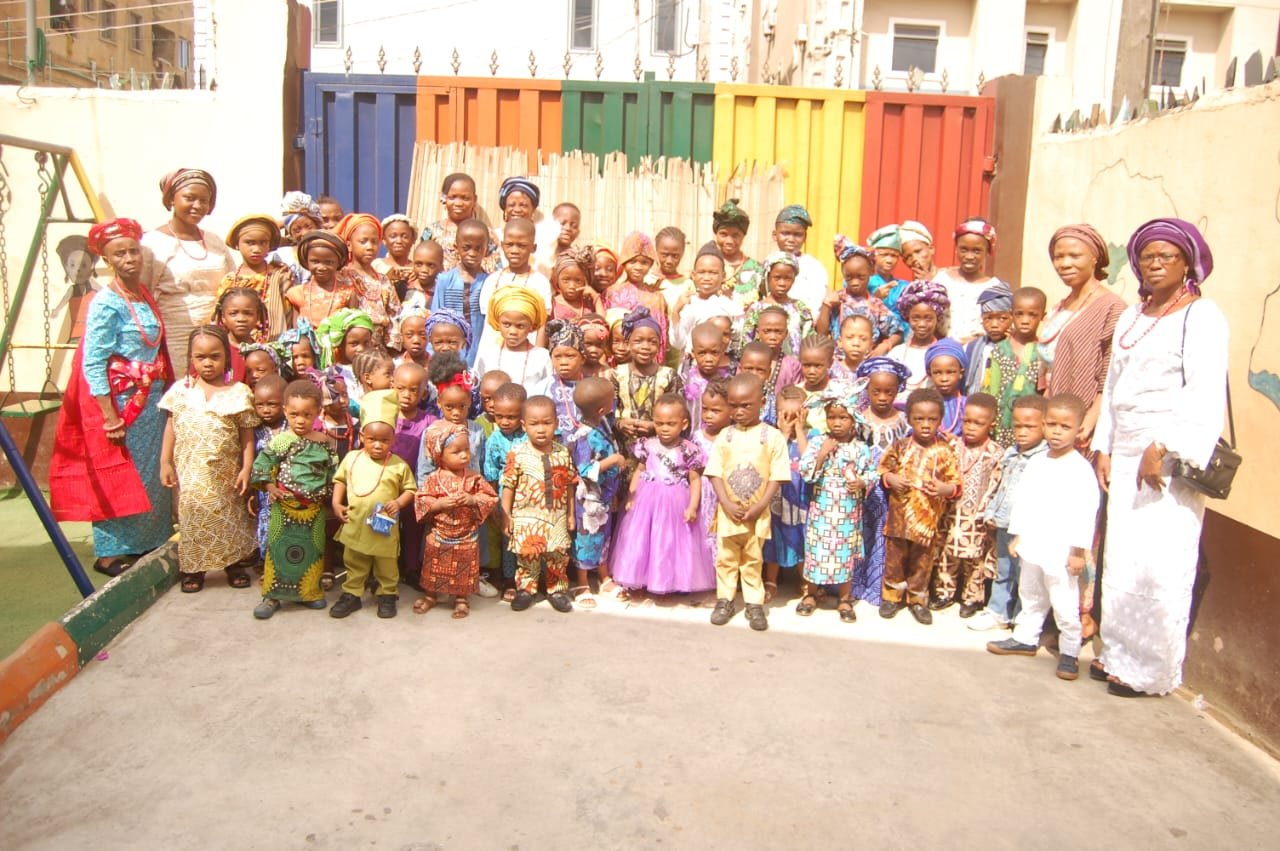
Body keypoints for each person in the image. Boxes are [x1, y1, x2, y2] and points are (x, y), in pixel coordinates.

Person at [1091, 218, 1228, 697]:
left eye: (1166, 255)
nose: (1154, 263)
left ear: (1188, 263)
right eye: (1147, 256)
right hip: (1125, 450)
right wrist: (1104, 446)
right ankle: (1117, 655)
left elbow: (1204, 391)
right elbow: (1112, 388)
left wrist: (1162, 446)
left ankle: (1149, 668)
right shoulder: (1132, 317)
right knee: (1122, 561)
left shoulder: (1202, 316)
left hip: (1166, 457)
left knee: (1159, 561)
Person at [50, 218, 175, 577]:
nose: (130, 258)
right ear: (106, 259)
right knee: (116, 473)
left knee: (149, 473)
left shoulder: (142, 294)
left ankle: (146, 542)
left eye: (134, 250)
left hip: (150, 400)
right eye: (119, 253)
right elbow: (93, 361)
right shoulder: (105, 302)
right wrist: (108, 415)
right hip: (122, 405)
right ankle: (109, 553)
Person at [989, 394, 1100, 681]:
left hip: (1062, 549)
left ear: (1078, 430)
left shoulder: (1080, 469)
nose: (1056, 432)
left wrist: (1077, 551)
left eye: (1065, 426)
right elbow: (1024, 501)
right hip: (1034, 543)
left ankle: (1070, 652)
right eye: (1051, 424)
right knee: (1031, 593)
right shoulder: (1038, 462)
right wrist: (1017, 535)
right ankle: (1025, 638)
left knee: (1064, 601)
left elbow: (1086, 512)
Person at [157, 325, 258, 592]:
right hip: (191, 471)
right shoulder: (180, 391)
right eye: (200, 357)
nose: (208, 363)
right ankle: (195, 568)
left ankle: (233, 564)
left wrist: (247, 467)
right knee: (193, 517)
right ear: (191, 358)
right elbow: (170, 427)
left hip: (226, 471)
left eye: (215, 356)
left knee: (230, 518)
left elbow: (247, 435)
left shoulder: (238, 392)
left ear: (226, 356)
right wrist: (165, 462)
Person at [704, 373, 791, 632]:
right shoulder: (725, 436)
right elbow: (715, 472)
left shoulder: (772, 436)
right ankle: (725, 600)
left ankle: (754, 603)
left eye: (746, 405)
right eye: (733, 405)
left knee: (753, 560)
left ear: (762, 402)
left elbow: (778, 477)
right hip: (728, 513)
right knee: (726, 558)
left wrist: (760, 506)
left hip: (757, 513)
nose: (739, 411)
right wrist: (727, 504)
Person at [249, 378, 339, 619]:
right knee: (278, 550)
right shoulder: (281, 441)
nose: (301, 420)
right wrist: (269, 486)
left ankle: (309, 593)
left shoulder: (325, 443)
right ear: (286, 411)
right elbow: (261, 466)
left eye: (307, 414)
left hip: (314, 510)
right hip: (285, 507)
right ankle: (272, 596)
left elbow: (334, 473)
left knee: (312, 551)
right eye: (295, 414)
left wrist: (333, 499)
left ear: (318, 413)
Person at [611, 394, 713, 601]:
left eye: (671, 423)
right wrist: (631, 496)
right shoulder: (646, 445)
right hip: (645, 501)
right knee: (641, 539)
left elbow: (695, 480)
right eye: (659, 423)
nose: (664, 428)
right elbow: (639, 470)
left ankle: (669, 581)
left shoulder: (688, 450)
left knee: (669, 541)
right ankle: (639, 578)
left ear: (683, 424)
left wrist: (693, 506)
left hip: (675, 502)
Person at [795, 381, 879, 623]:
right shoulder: (818, 442)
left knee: (844, 554)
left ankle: (844, 598)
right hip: (821, 508)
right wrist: (822, 454)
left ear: (853, 420)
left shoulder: (861, 448)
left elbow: (872, 472)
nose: (837, 423)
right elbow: (806, 472)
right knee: (816, 553)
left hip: (847, 511)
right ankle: (811, 593)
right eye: (832, 417)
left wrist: (862, 483)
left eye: (843, 418)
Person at [877, 388, 961, 625]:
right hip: (899, 519)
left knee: (921, 563)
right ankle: (891, 596)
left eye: (932, 419)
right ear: (910, 419)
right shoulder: (900, 446)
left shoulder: (945, 451)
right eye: (919, 419)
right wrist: (891, 479)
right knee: (894, 559)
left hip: (927, 522)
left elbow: (956, 484)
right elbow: (883, 470)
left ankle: (917, 600)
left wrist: (945, 489)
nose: (926, 425)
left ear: (940, 420)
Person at [141, 168, 236, 375]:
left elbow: (233, 284)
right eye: (190, 198)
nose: (198, 206)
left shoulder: (214, 241)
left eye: (204, 201)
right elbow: (141, 293)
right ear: (171, 199)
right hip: (174, 337)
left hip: (215, 336)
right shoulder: (152, 243)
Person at [329, 400, 418, 619]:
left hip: (384, 527)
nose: (378, 445)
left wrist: (398, 503)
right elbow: (340, 480)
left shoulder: (398, 465)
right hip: (356, 523)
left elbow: (411, 490)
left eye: (384, 440)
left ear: (393, 440)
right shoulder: (352, 458)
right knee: (355, 560)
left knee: (386, 564)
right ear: (362, 437)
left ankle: (387, 594)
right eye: (372, 439)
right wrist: (336, 503)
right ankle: (352, 594)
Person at [969, 395, 1049, 632]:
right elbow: (1001, 485)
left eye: (1030, 427)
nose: (1022, 432)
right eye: (1017, 426)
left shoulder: (1044, 459)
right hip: (1006, 522)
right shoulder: (1011, 453)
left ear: (1044, 426)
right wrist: (992, 512)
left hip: (1029, 527)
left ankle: (1023, 617)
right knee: (1004, 569)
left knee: (1027, 575)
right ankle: (998, 612)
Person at [1040, 224, 1126, 444]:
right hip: (1054, 416)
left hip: (1083, 421)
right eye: (1058, 257)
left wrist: (1091, 418)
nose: (1065, 264)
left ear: (1094, 258)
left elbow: (1111, 371)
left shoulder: (1112, 307)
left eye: (1075, 255)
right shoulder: (1060, 306)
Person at [413, 420, 499, 620]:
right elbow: (422, 500)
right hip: (439, 535)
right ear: (439, 455)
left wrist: (472, 500)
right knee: (432, 568)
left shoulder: (473, 478)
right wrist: (439, 505)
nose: (464, 455)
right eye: (456, 451)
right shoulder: (434, 479)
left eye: (467, 450)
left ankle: (461, 598)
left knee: (464, 568)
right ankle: (431, 595)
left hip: (466, 535)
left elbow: (490, 497)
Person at [501, 395, 579, 613]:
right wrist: (506, 515)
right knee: (527, 556)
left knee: (557, 556)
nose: (541, 429)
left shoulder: (563, 453)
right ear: (524, 425)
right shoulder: (517, 454)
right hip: (526, 517)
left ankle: (557, 590)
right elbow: (508, 486)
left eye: (547, 423)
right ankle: (526, 589)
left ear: (556, 423)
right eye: (534, 424)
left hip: (557, 517)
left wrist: (571, 514)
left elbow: (570, 485)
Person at [931, 393, 1004, 614]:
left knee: (975, 559)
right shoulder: (953, 445)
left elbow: (996, 484)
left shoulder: (996, 453)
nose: (971, 427)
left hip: (977, 514)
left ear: (991, 424)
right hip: (951, 511)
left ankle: (972, 597)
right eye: (967, 421)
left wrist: (986, 511)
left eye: (979, 423)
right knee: (947, 555)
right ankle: (944, 592)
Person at [852, 357, 911, 605]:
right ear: (867, 390)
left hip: (892, 493)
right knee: (861, 535)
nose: (883, 397)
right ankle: (855, 585)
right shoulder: (858, 420)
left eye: (890, 391)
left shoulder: (905, 422)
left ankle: (882, 589)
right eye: (877, 391)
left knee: (885, 540)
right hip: (864, 491)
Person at [564, 378, 626, 608]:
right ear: (601, 408)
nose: (615, 403)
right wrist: (614, 460)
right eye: (612, 401)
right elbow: (585, 470)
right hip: (588, 502)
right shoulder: (583, 436)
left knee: (604, 538)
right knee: (586, 539)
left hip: (605, 498)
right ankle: (581, 582)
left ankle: (604, 575)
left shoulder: (603, 423)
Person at [610, 306, 683, 457]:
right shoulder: (617, 374)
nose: (645, 347)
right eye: (638, 341)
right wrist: (620, 423)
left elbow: (679, 413)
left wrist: (655, 426)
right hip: (623, 447)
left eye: (652, 342)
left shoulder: (669, 376)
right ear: (628, 343)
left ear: (659, 345)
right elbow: (606, 412)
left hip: (660, 448)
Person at [981, 286, 1047, 447]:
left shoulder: (1043, 353)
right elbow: (989, 389)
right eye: (1019, 314)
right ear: (1011, 314)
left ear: (1042, 316)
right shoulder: (999, 350)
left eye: (1032, 315)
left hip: (1030, 431)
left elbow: (1045, 392)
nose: (1025, 320)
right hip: (998, 429)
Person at [483, 382, 528, 599]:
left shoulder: (530, 435)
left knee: (531, 538)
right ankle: (510, 581)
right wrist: (495, 507)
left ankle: (531, 579)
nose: (505, 421)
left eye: (511, 416)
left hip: (531, 498)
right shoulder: (494, 440)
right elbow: (491, 475)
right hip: (505, 499)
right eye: (499, 416)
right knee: (508, 539)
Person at [819, 237, 901, 356]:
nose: (855, 283)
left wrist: (885, 346)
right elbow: (821, 334)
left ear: (871, 272)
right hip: (839, 363)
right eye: (849, 277)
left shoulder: (875, 304)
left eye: (861, 277)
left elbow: (897, 333)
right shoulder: (837, 300)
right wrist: (826, 306)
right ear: (843, 272)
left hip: (866, 363)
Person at [218, 215, 295, 339]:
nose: (256, 249)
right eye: (250, 243)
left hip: (273, 345)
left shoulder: (280, 276)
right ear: (237, 244)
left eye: (263, 243)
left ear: (270, 245)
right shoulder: (230, 281)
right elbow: (219, 318)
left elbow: (290, 315)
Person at [430, 218, 492, 364]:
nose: (472, 253)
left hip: (480, 352)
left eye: (478, 248)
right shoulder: (445, 280)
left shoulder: (489, 282)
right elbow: (436, 318)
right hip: (448, 353)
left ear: (486, 249)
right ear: (455, 246)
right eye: (466, 247)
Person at [336, 213, 402, 348]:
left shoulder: (383, 280)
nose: (370, 247)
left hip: (380, 351)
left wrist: (391, 349)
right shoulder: (342, 277)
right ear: (349, 245)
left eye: (374, 241)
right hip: (352, 350)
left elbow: (395, 316)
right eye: (363, 241)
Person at [934, 218, 1003, 342]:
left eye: (977, 251)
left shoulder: (994, 288)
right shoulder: (941, 280)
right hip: (943, 350)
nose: (969, 256)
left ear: (988, 251)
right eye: (964, 249)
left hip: (978, 351)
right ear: (956, 249)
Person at [473, 286, 551, 395]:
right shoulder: (487, 354)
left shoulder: (542, 356)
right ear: (498, 323)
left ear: (531, 327)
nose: (513, 331)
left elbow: (549, 390)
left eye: (520, 326)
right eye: (507, 324)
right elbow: (477, 387)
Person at [605, 232, 671, 359]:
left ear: (651, 264)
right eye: (633, 261)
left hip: (647, 362)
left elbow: (661, 336)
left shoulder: (657, 298)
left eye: (644, 262)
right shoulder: (612, 293)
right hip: (616, 362)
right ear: (624, 262)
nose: (638, 267)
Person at [420, 172, 502, 273]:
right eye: (453, 197)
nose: (458, 203)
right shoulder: (431, 231)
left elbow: (496, 267)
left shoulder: (486, 234)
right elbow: (421, 263)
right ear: (444, 198)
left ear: (474, 199)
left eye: (465, 198)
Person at [741, 252, 816, 357]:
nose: (782, 283)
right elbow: (746, 343)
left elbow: (809, 341)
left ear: (794, 279)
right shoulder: (756, 309)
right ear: (767, 277)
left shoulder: (800, 308)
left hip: (793, 368)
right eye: (777, 277)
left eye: (787, 278)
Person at [671, 249, 743, 353]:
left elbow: (737, 341)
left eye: (713, 273)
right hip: (692, 366)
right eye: (701, 272)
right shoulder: (688, 305)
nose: (707, 278)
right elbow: (678, 344)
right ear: (693, 275)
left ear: (723, 276)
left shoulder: (731, 307)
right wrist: (676, 312)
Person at [249, 374, 288, 565]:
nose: (266, 410)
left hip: (289, 490)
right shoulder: (254, 431)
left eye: (272, 404)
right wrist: (252, 491)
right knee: (266, 527)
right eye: (260, 405)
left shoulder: (292, 428)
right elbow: (251, 462)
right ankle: (269, 567)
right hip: (265, 493)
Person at [887, 280, 948, 400]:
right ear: (907, 318)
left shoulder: (943, 354)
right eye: (915, 318)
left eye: (928, 318)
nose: (921, 324)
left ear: (938, 319)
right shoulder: (896, 354)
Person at [692, 380, 730, 566]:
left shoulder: (732, 436)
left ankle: (722, 572)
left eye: (715, 411)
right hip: (702, 492)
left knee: (721, 532)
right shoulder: (697, 437)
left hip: (724, 493)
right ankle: (704, 571)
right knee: (701, 530)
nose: (708, 415)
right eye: (705, 409)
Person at [286, 231, 356, 329]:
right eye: (315, 261)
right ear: (306, 262)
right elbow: (294, 332)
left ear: (338, 263)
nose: (322, 267)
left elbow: (353, 327)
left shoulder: (348, 293)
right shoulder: (297, 293)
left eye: (329, 262)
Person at [771, 205, 828, 312]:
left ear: (805, 237)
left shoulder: (814, 267)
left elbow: (817, 304)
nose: (791, 239)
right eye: (785, 233)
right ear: (775, 235)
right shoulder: (768, 264)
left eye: (797, 235)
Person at [711, 199, 765, 312]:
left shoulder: (757, 269)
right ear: (716, 234)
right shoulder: (707, 266)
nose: (729, 241)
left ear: (743, 236)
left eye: (736, 235)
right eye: (723, 234)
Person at [680, 321, 733, 428]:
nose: (708, 359)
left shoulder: (729, 381)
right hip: (690, 440)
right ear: (693, 353)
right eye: (702, 353)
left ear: (722, 351)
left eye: (714, 353)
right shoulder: (684, 380)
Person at [540, 319, 585, 437]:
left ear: (583, 358)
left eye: (570, 356)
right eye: (557, 356)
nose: (563, 362)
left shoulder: (593, 386)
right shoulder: (543, 388)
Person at [925, 337, 968, 437]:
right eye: (938, 373)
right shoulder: (924, 405)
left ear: (961, 373)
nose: (944, 379)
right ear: (929, 373)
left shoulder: (967, 405)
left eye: (950, 372)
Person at [867, 224, 910, 317]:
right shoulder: (863, 282)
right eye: (884, 255)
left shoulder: (903, 287)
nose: (889, 261)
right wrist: (875, 298)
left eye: (894, 256)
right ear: (874, 255)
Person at [550, 247, 602, 321]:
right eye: (566, 280)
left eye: (578, 281)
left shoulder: (589, 304)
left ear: (585, 281)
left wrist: (596, 297)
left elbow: (602, 323)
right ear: (557, 280)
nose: (572, 286)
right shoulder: (552, 304)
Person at [373, 213, 416, 290]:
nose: (399, 241)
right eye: (393, 236)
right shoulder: (375, 266)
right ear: (383, 239)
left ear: (413, 239)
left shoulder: (417, 269)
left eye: (405, 236)